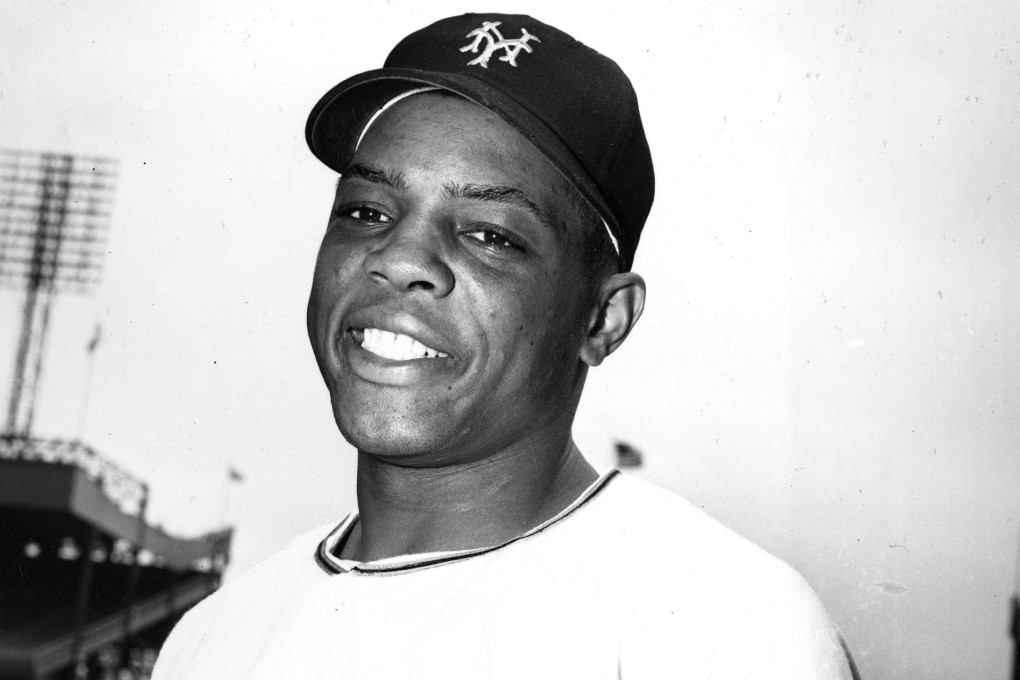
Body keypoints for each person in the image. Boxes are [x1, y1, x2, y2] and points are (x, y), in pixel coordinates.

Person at [152, 13, 857, 679]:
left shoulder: (722, 624)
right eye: (367, 212)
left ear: (604, 319)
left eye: (490, 234)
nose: (400, 259)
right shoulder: (213, 639)